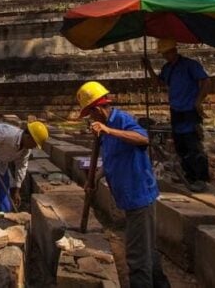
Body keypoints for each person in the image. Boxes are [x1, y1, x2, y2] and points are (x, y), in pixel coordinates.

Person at [77, 81, 170, 288]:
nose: (91, 119)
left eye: (91, 114)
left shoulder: (121, 120)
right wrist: (95, 178)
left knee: (137, 258)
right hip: (129, 198)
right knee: (147, 250)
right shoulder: (103, 132)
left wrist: (109, 130)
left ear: (98, 109)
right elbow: (111, 161)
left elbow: (142, 138)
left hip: (140, 197)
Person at [142, 39, 210, 192]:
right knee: (181, 145)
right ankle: (189, 175)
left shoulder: (190, 65)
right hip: (176, 110)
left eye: (167, 53)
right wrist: (149, 68)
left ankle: (200, 178)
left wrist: (198, 101)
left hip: (189, 109)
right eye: (164, 54)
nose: (166, 56)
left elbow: (205, 81)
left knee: (193, 144)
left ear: (174, 51)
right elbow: (158, 83)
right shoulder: (168, 68)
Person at [0, 121, 48, 213]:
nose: (35, 147)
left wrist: (17, 189)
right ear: (28, 137)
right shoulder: (6, 133)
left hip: (1, 158)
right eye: (35, 143)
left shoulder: (26, 151)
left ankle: (4, 215)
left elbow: (21, 168)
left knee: (4, 188)